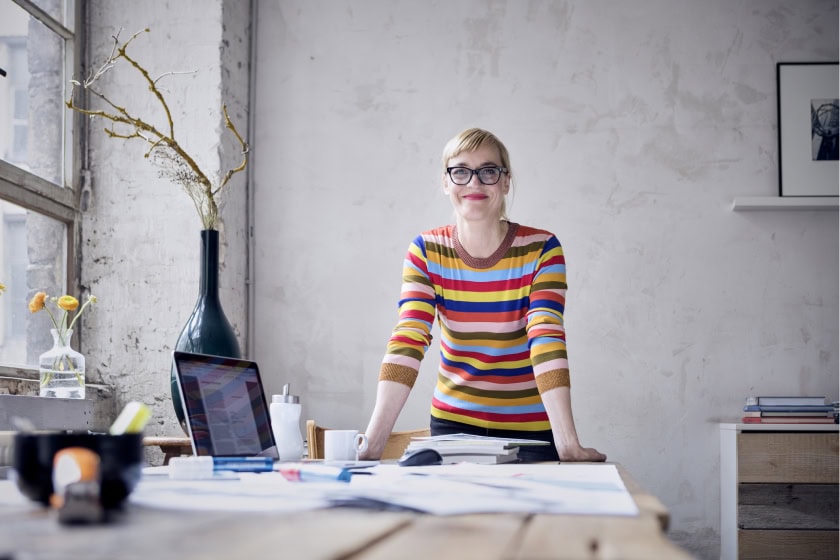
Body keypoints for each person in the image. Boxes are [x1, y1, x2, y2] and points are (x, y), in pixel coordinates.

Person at [360, 128, 606, 463]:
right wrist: (374, 441)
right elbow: (410, 336)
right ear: (446, 183)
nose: (474, 184)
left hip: (531, 434)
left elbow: (545, 335)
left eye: (488, 171)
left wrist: (567, 443)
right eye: (460, 171)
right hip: (453, 429)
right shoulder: (426, 251)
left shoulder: (542, 249)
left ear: (505, 182)